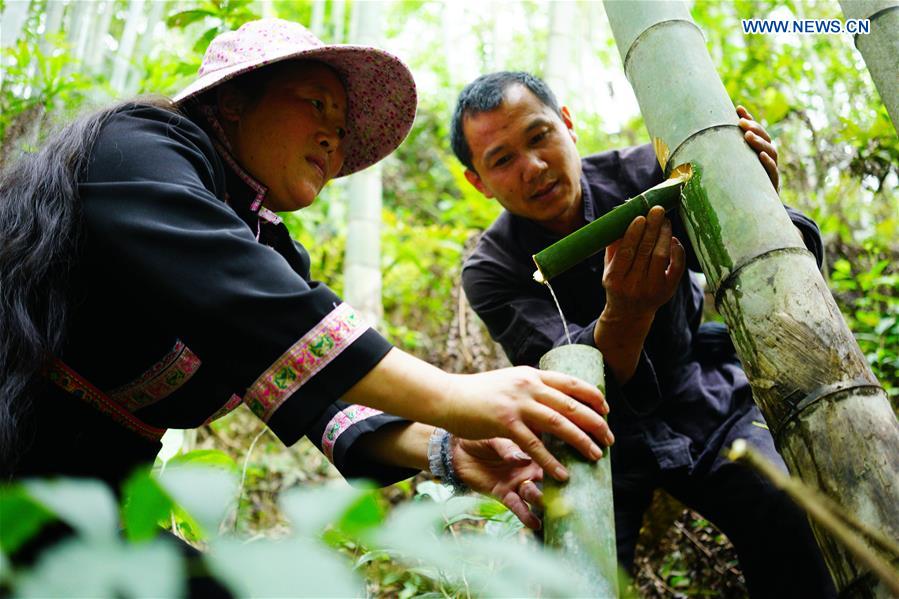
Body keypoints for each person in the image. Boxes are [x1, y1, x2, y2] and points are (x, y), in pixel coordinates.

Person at [0, 20, 614, 524]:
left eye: (341, 128)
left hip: (85, 508)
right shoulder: (135, 144)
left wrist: (445, 448)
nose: (332, 138)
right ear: (234, 100)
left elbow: (320, 388)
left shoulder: (271, 248)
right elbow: (248, 302)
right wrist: (455, 396)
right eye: (317, 104)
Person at [451, 72, 836, 597]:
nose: (533, 167)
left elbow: (763, 264)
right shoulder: (491, 269)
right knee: (569, 579)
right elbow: (569, 382)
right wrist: (626, 313)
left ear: (567, 124)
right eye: (502, 160)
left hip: (698, 392)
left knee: (787, 507)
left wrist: (751, 200)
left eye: (539, 136)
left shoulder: (651, 173)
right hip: (591, 432)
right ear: (479, 181)